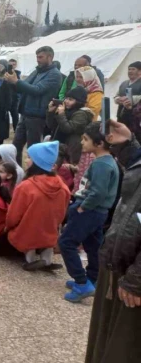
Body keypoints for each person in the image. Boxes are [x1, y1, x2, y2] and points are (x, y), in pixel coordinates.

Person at [86, 120, 141, 363]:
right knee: (104, 342)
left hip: (133, 277)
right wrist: (128, 145)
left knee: (123, 350)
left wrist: (137, 280)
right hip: (118, 264)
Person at [59, 122, 120, 303]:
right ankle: (92, 278)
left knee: (66, 242)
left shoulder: (102, 164)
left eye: (85, 139)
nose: (82, 142)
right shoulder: (106, 161)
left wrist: (82, 207)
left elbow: (98, 192)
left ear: (100, 143)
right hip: (97, 212)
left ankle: (82, 282)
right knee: (93, 246)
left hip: (89, 210)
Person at [0, 141, 70, 271]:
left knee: (6, 239)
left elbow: (14, 215)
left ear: (37, 162)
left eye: (30, 157)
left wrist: (7, 227)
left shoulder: (26, 186)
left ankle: (29, 259)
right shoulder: (63, 186)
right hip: (49, 233)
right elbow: (62, 214)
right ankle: (46, 259)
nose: (26, 160)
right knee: (43, 232)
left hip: (26, 233)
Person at [5, 46, 63, 165]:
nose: (38, 60)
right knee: (15, 147)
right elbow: (23, 87)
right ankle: (16, 172)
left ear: (50, 57)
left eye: (41, 57)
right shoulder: (37, 71)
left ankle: (34, 175)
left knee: (33, 150)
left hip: (37, 116)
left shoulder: (54, 74)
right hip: (26, 114)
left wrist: (16, 81)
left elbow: (37, 90)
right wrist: (11, 82)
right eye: (37, 57)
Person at [46, 86, 94, 164]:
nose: (67, 101)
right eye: (66, 98)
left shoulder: (81, 114)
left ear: (79, 102)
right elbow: (50, 125)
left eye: (71, 99)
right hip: (60, 145)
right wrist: (50, 112)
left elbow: (68, 129)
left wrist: (61, 115)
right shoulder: (66, 111)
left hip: (71, 148)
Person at [115, 61, 141, 142]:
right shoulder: (124, 83)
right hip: (122, 115)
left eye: (133, 69)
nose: (130, 71)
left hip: (136, 117)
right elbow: (116, 95)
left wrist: (131, 99)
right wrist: (118, 99)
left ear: (140, 71)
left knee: (135, 137)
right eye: (129, 69)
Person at [7, 58, 22, 130]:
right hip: (6, 97)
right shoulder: (4, 74)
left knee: (15, 115)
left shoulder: (17, 74)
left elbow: (18, 85)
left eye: (14, 64)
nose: (12, 66)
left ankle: (16, 129)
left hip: (14, 98)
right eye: (10, 65)